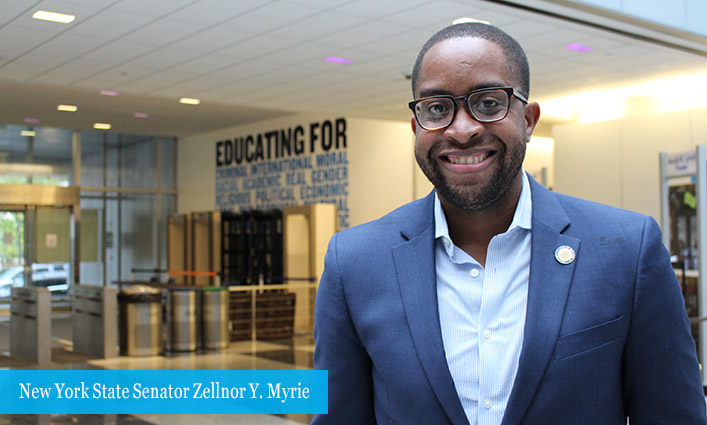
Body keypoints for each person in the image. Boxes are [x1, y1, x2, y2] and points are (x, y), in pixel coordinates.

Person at [312, 22, 707, 425]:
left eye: (488, 103)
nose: (462, 129)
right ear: (416, 127)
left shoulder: (628, 250)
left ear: (529, 119)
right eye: (436, 109)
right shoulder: (355, 263)